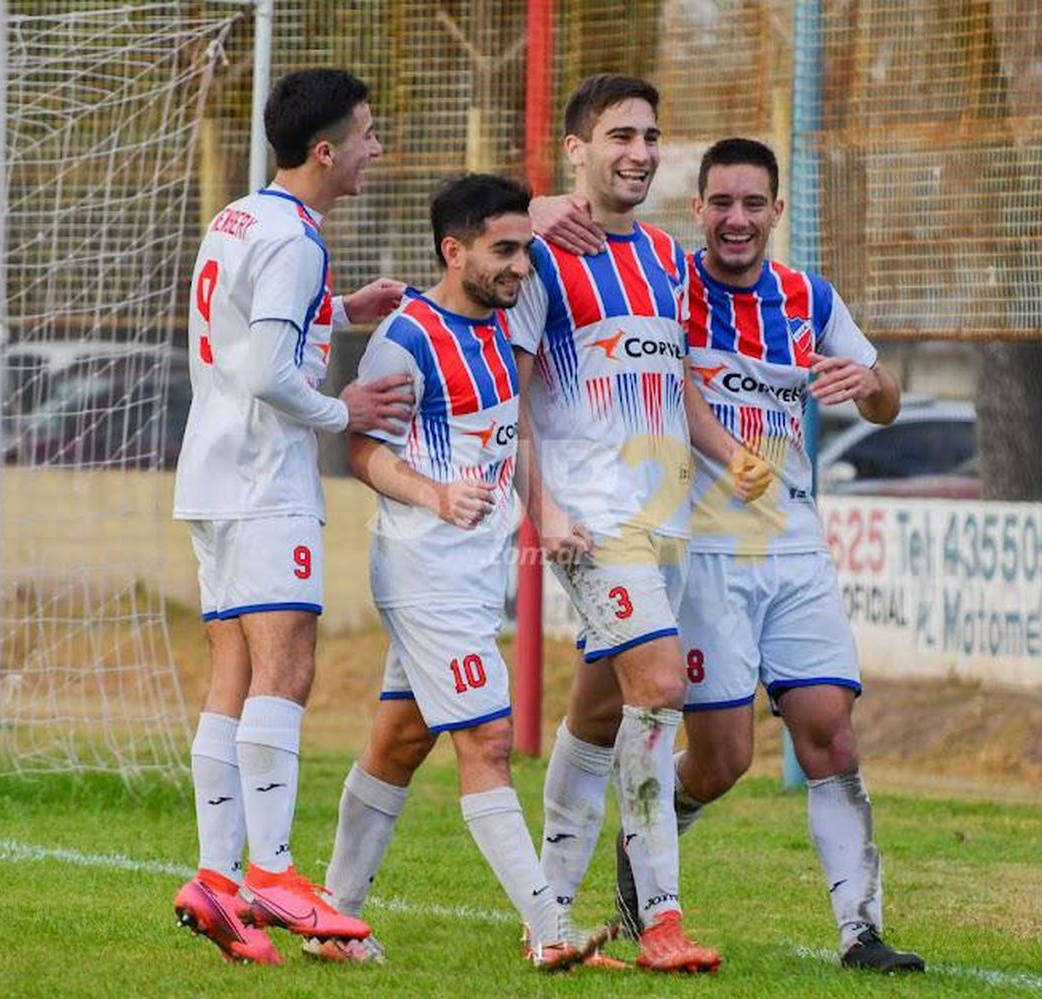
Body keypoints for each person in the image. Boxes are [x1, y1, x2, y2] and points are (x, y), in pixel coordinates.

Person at [583, 137, 924, 973]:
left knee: (830, 734)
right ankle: (647, 851)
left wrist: (865, 384)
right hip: (703, 551)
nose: (737, 219)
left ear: (776, 211)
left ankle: (862, 930)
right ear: (697, 209)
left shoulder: (810, 296)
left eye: (753, 204)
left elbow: (886, 399)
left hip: (796, 545)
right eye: (721, 203)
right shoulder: (671, 284)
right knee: (726, 758)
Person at [506, 75, 771, 975]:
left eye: (652, 136)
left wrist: (728, 446)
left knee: (599, 705)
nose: (642, 152)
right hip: (593, 518)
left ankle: (549, 921)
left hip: (664, 520)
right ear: (576, 149)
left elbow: (677, 376)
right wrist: (542, 507)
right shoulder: (539, 255)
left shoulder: (663, 255)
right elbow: (512, 395)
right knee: (661, 684)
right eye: (620, 135)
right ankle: (659, 914)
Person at [313, 173, 604, 972]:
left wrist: (544, 514)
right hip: (424, 568)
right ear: (454, 251)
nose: (521, 266)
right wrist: (434, 494)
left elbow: (511, 440)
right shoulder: (405, 338)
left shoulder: (501, 326)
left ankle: (331, 919)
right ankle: (550, 927)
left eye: (525, 249)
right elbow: (362, 450)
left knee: (401, 739)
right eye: (504, 251)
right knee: (487, 736)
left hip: (473, 572)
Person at [170, 68, 413, 965]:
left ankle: (216, 877)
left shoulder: (240, 217)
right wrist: (344, 410)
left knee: (233, 672)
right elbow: (271, 374)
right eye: (367, 134)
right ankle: (274, 873)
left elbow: (243, 336)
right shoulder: (296, 241)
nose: (374, 150)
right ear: (325, 150)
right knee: (288, 667)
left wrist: (341, 312)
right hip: (264, 479)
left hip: (211, 472)